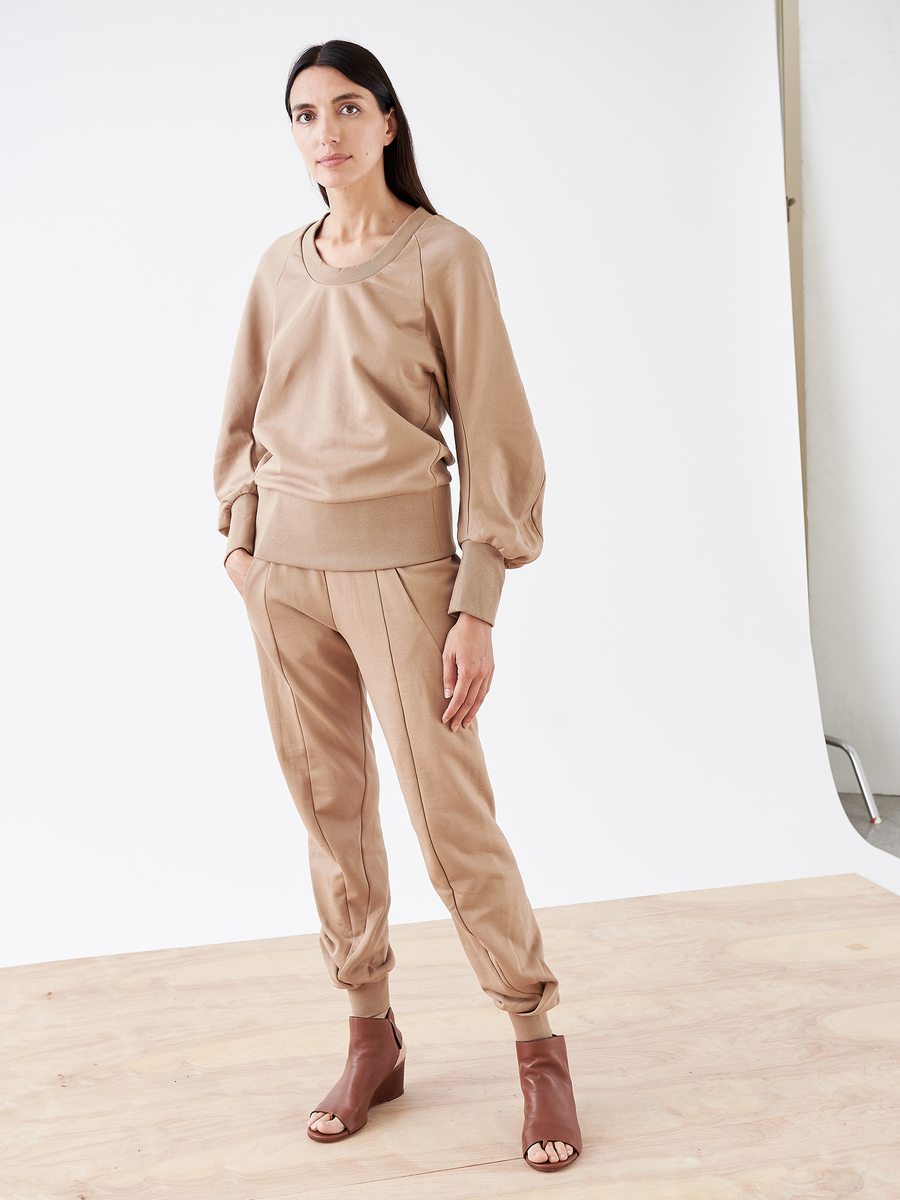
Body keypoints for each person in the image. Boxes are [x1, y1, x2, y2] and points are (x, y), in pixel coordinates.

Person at [212, 39, 582, 1172]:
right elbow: (242, 411)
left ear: (387, 121)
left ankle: (538, 1044)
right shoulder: (281, 264)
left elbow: (499, 435)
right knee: (329, 811)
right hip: (283, 576)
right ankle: (370, 1034)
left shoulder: (445, 257)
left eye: (345, 108)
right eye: (302, 114)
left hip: (407, 579)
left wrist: (479, 602)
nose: (323, 130)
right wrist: (241, 535)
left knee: (449, 820)